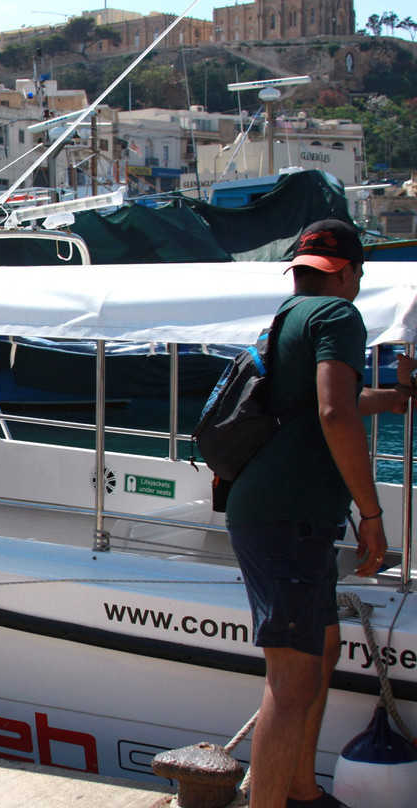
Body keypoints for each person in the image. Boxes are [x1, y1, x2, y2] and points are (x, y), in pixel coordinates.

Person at [225, 219, 417, 808]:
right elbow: (336, 414)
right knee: (293, 677)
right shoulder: (339, 316)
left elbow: (322, 399)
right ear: (352, 274)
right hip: (288, 515)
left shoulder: (289, 316)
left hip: (271, 508)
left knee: (323, 650)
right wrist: (373, 514)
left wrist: (397, 396)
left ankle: (303, 791)